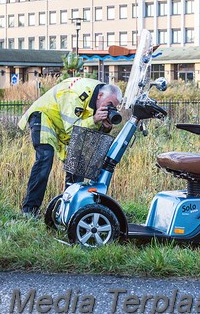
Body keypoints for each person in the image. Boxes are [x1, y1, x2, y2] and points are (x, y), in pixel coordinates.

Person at [17, 78, 123, 217]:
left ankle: (70, 210)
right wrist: (94, 119)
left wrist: (104, 126)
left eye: (113, 107)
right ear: (100, 95)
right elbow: (72, 131)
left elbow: (85, 134)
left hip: (62, 126)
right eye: (109, 105)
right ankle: (29, 211)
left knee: (77, 164)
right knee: (45, 158)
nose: (110, 109)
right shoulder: (77, 94)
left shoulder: (98, 97)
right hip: (44, 116)